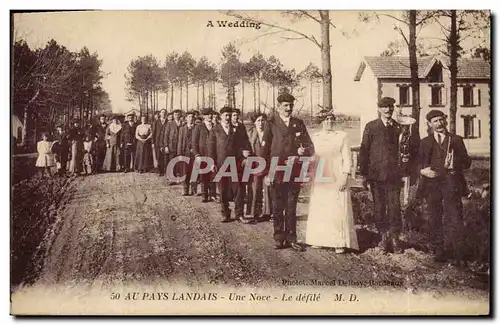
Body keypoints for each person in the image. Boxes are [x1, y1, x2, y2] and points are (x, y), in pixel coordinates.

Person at [261, 93, 315, 250]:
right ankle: (279, 237)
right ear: (279, 106)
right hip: (276, 170)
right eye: (285, 105)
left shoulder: (298, 123)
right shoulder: (270, 123)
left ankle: (292, 238)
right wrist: (265, 173)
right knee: (278, 205)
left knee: (291, 205)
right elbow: (264, 151)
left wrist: (303, 151)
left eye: (291, 105)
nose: (288, 108)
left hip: (294, 170)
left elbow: (310, 147)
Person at [418, 109, 471, 265]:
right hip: (432, 184)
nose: (439, 124)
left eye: (441, 120)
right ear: (429, 124)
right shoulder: (425, 142)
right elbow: (419, 164)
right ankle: (438, 250)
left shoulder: (456, 139)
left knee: (454, 216)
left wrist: (456, 162)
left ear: (445, 121)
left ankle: (457, 252)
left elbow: (467, 163)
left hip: (451, 183)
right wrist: (423, 171)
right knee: (434, 216)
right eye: (435, 121)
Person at [305, 112, 359, 253]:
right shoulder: (315, 137)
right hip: (320, 175)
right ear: (321, 121)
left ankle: (339, 242)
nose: (329, 122)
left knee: (337, 208)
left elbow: (347, 158)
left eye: (331, 119)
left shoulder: (342, 136)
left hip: (337, 174)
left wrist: (345, 176)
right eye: (326, 119)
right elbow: (311, 156)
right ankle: (319, 239)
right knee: (321, 206)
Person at [358, 96, 403, 254]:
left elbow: (405, 149)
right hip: (376, 175)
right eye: (384, 107)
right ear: (379, 109)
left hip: (394, 176)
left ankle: (395, 238)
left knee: (395, 208)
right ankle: (383, 237)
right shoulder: (371, 126)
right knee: (379, 208)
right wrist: (363, 174)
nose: (388, 110)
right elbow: (364, 151)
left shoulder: (399, 127)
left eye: (390, 107)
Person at [208, 106, 250, 223]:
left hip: (235, 164)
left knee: (238, 189)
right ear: (221, 116)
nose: (228, 118)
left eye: (230, 115)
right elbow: (211, 149)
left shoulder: (236, 129)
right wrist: (212, 163)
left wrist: (243, 155)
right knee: (223, 190)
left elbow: (242, 144)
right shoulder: (215, 130)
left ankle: (239, 214)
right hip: (221, 164)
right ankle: (225, 214)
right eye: (226, 115)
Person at [246, 112, 272, 222]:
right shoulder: (250, 133)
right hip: (254, 164)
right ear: (255, 122)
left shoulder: (269, 134)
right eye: (258, 121)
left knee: (268, 189)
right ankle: (254, 212)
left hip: (267, 163)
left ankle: (268, 213)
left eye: (262, 120)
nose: (261, 123)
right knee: (254, 188)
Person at [192, 108, 214, 203]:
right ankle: (204, 195)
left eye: (211, 114)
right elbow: (194, 142)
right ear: (204, 116)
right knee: (203, 175)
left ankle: (212, 194)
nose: (210, 116)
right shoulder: (199, 127)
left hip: (213, 154)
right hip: (202, 154)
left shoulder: (215, 126)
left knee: (213, 175)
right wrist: (197, 154)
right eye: (207, 115)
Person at [177, 110, 197, 196]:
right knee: (185, 171)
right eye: (189, 117)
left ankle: (194, 189)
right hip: (185, 152)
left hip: (194, 153)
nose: (191, 118)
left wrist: (196, 150)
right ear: (186, 118)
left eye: (192, 117)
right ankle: (185, 189)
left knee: (194, 171)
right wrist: (179, 153)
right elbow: (180, 141)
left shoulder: (197, 128)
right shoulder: (182, 129)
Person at [163, 109, 183, 184]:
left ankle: (180, 177)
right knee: (172, 161)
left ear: (180, 115)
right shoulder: (170, 124)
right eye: (175, 115)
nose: (177, 116)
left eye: (178, 115)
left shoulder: (183, 123)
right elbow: (166, 136)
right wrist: (166, 146)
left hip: (180, 146)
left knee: (180, 161)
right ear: (173, 116)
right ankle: (172, 178)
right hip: (172, 146)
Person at [152, 109, 168, 176]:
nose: (163, 114)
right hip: (157, 142)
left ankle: (166, 170)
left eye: (164, 113)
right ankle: (160, 170)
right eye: (162, 112)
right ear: (160, 114)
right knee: (158, 156)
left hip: (165, 141)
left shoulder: (168, 121)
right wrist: (153, 142)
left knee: (165, 156)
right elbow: (153, 132)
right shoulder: (156, 122)